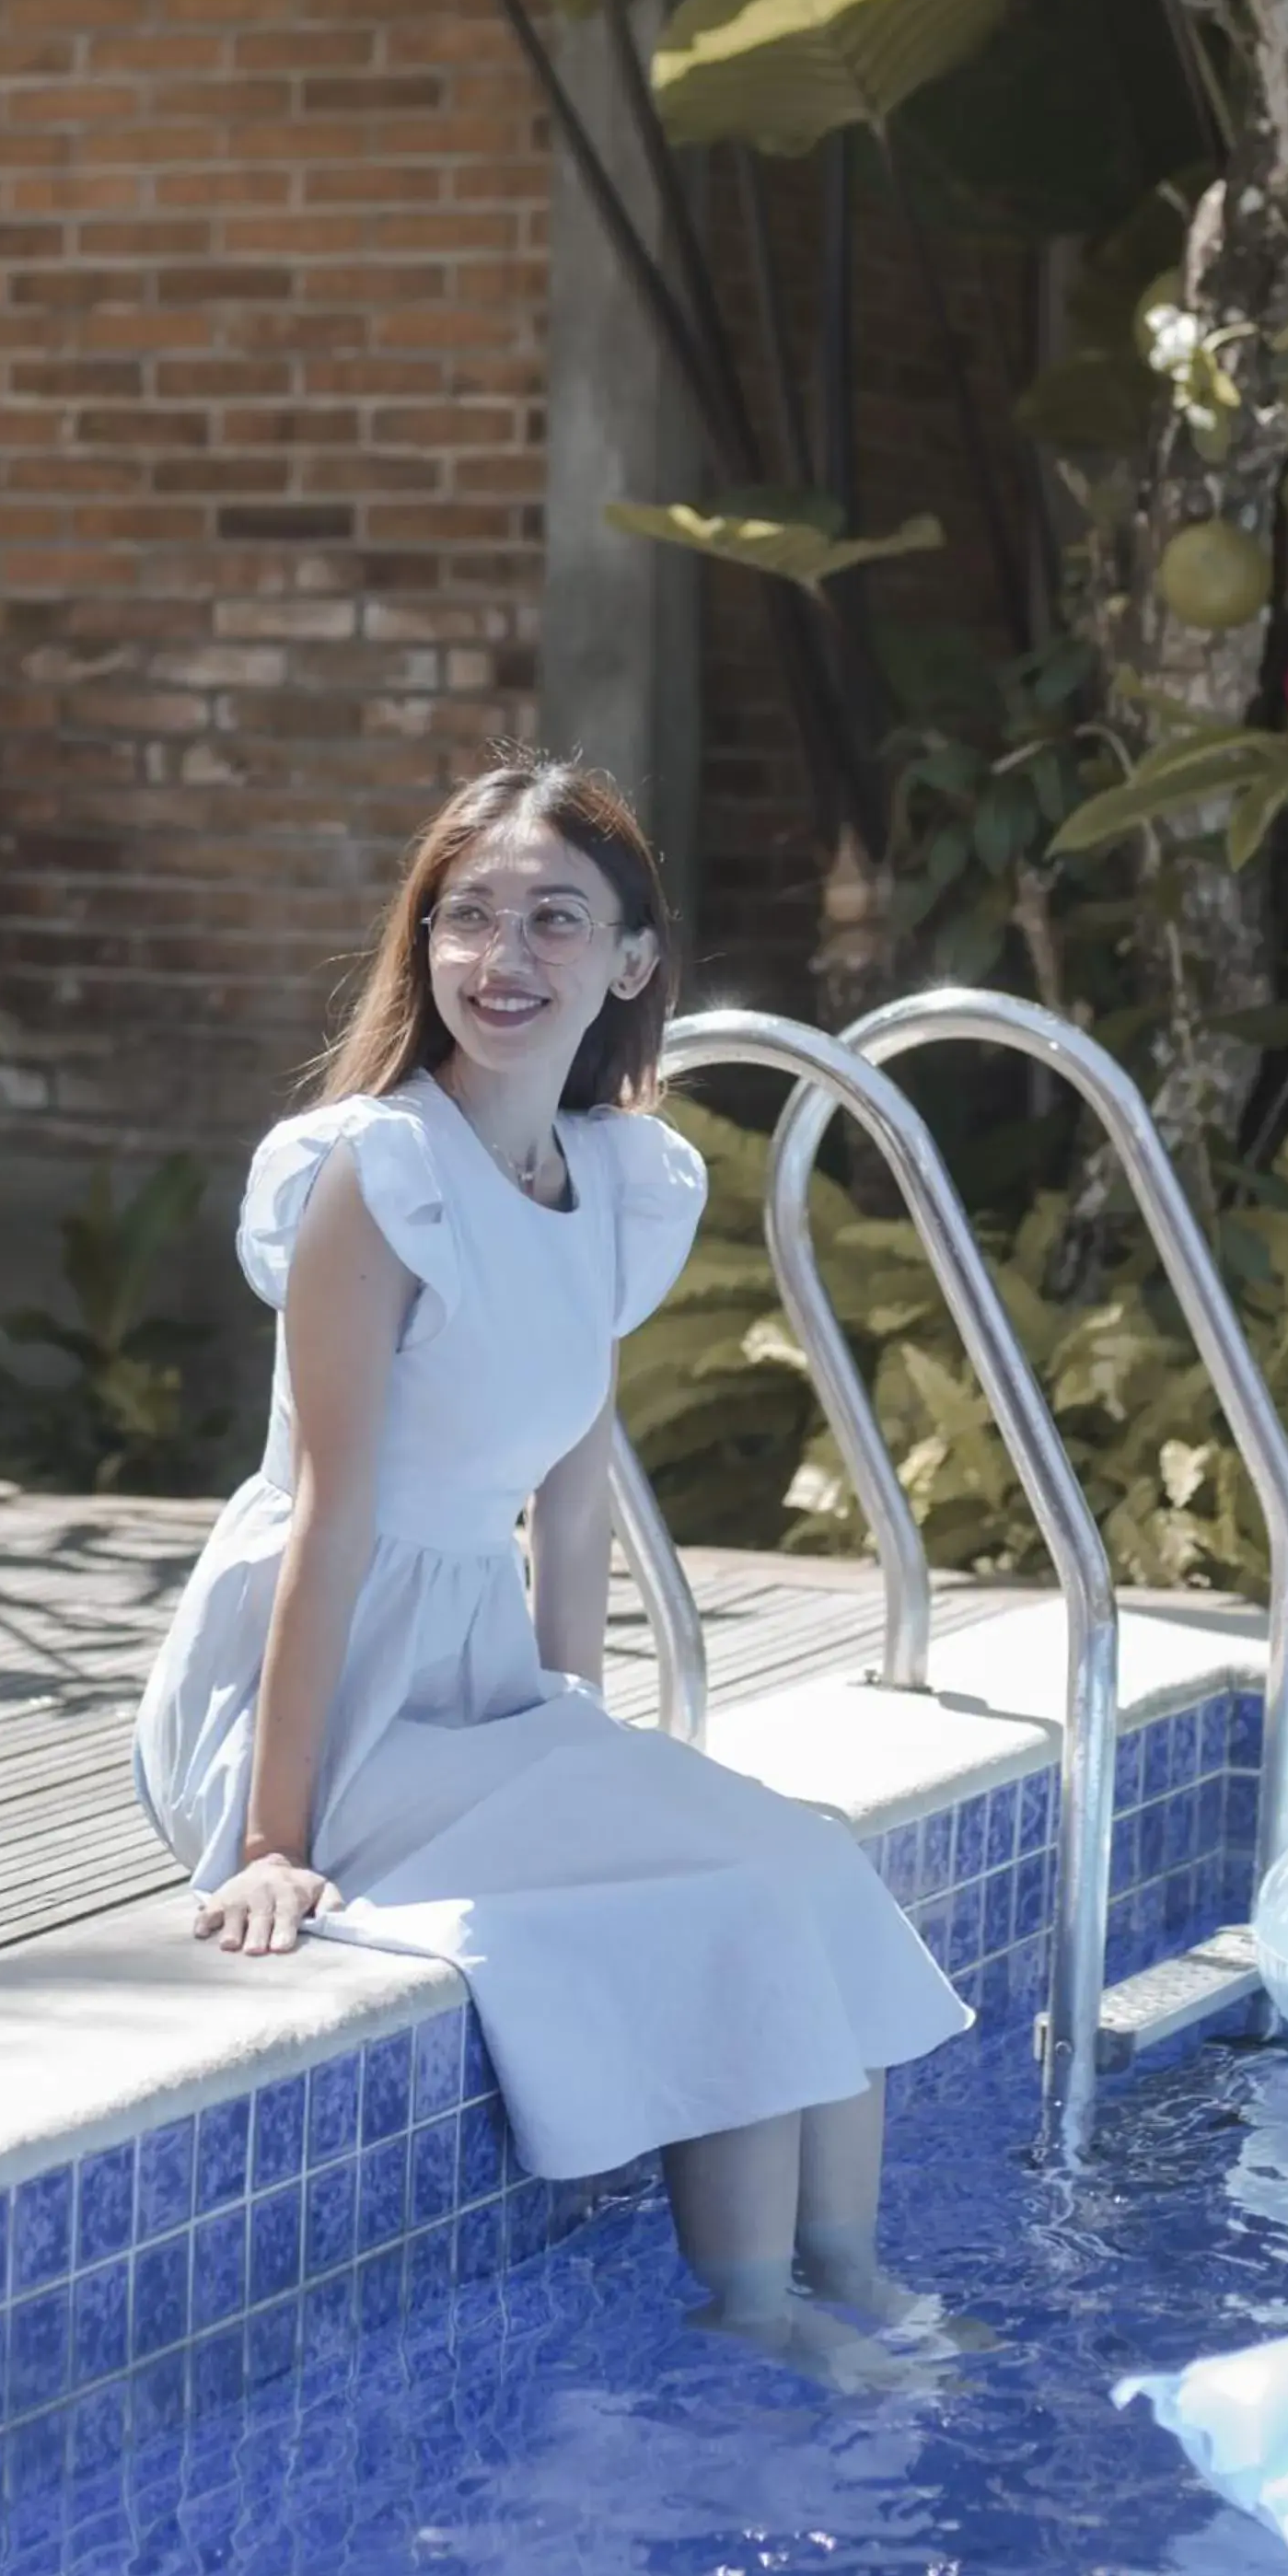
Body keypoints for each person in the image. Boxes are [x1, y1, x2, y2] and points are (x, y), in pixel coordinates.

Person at [133, 758, 970, 2369]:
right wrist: (269, 1841)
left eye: (554, 921)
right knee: (726, 1883)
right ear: (424, 942)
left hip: (484, 1685)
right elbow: (332, 1515)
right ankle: (752, 2313)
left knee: (804, 1862)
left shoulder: (615, 1184)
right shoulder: (374, 1176)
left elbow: (574, 1504)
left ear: (634, 963)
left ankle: (846, 2279)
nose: (504, 958)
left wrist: (570, 1710)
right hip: (328, 1690)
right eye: (470, 918)